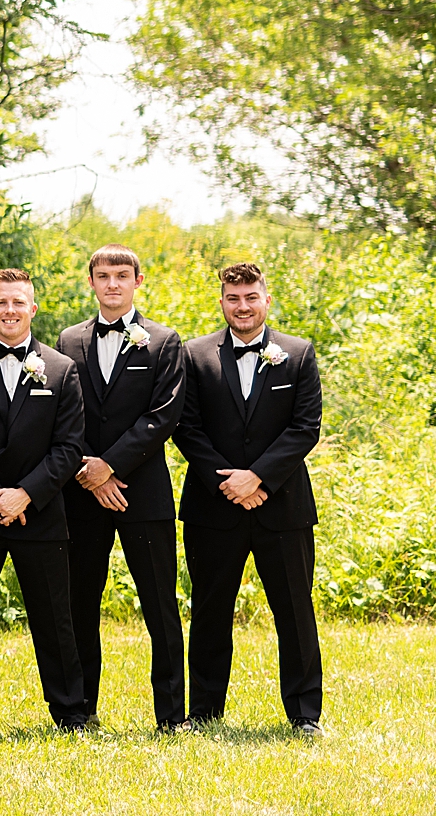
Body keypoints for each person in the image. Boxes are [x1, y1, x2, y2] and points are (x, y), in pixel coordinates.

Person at [175, 262, 323, 735]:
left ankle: (304, 714)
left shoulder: (297, 354)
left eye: (251, 297)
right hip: (213, 506)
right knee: (210, 610)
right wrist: (229, 482)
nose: (243, 306)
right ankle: (204, 712)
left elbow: (305, 428)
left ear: (266, 300)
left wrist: (258, 478)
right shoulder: (194, 355)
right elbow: (187, 428)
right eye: (233, 298)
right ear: (222, 302)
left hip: (283, 506)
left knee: (295, 610)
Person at [54, 244, 186, 730]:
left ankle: (171, 715)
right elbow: (64, 412)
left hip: (142, 491)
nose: (113, 284)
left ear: (137, 281)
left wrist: (109, 466)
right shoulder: (69, 340)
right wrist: (89, 471)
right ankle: (80, 710)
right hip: (81, 492)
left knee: (160, 603)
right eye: (104, 276)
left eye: (122, 275)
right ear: (91, 282)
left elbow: (162, 417)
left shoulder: (164, 341)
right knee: (79, 604)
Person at [0, 269, 87, 730]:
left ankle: (70, 711)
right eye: (2, 303)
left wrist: (26, 494)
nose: (10, 311)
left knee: (54, 617)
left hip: (41, 512)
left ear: (33, 308)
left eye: (18, 303)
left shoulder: (61, 369)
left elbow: (69, 447)